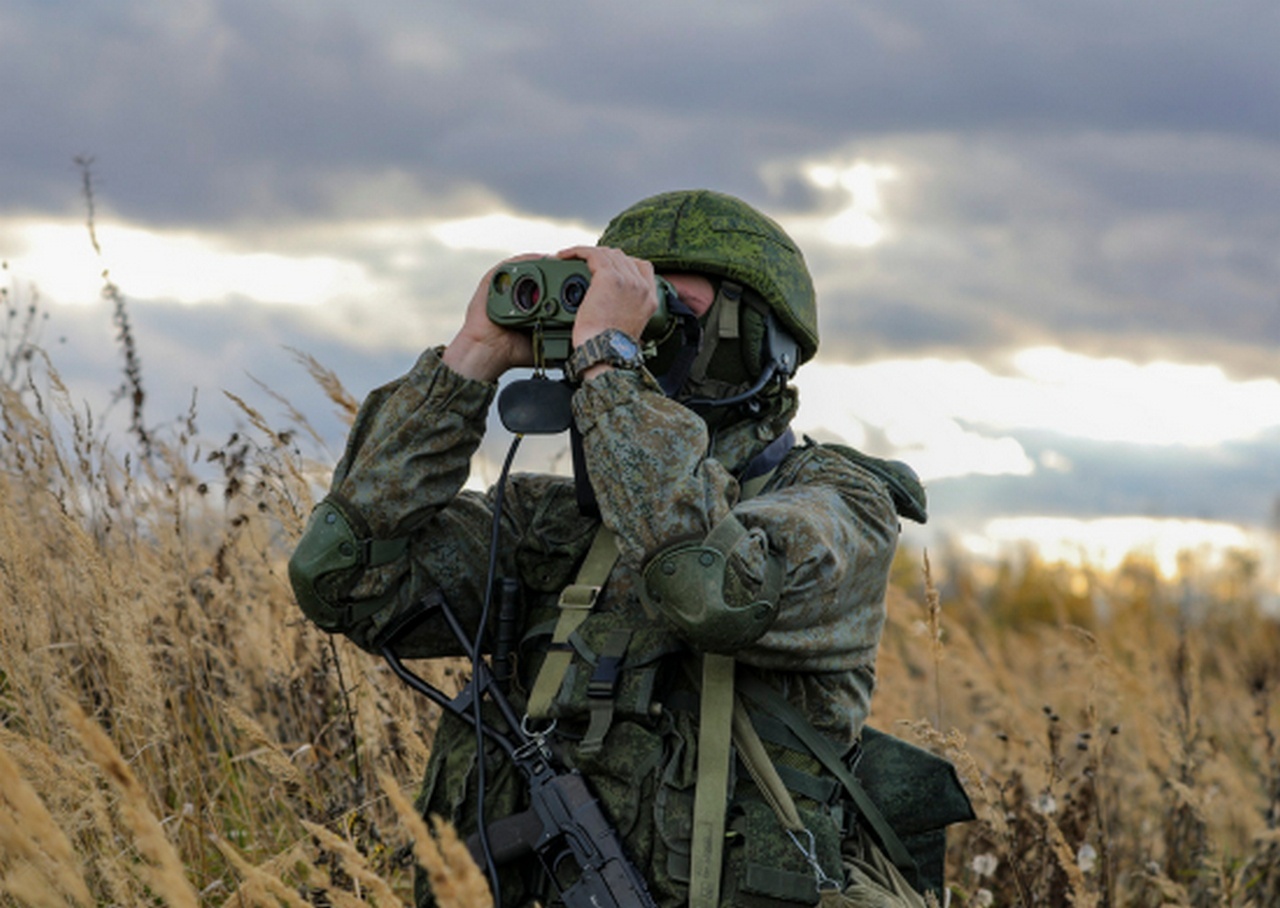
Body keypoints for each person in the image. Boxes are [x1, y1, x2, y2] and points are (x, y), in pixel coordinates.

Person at [289, 190, 962, 908]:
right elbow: (344, 576)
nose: (640, 333)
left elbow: (711, 587)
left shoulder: (840, 506)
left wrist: (608, 368)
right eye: (620, 309)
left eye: (669, 312)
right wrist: (470, 359)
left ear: (760, 340)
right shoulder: (553, 526)